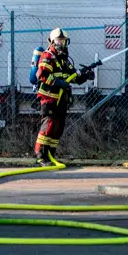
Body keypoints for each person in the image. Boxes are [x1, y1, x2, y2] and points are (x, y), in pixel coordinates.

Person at [33, 28, 93, 165]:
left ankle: (51, 156)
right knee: (49, 125)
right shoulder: (48, 56)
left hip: (61, 99)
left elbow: (73, 76)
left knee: (58, 127)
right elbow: (42, 75)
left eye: (63, 41)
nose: (61, 44)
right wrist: (58, 83)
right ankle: (41, 156)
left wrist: (85, 76)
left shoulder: (64, 59)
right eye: (59, 41)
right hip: (49, 98)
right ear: (52, 42)